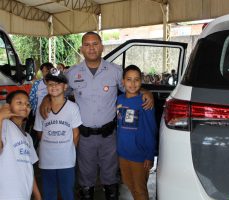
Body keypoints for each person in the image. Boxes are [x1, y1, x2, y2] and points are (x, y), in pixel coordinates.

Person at [40, 31, 154, 200]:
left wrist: (146, 92)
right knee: (86, 183)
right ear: (81, 49)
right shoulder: (72, 73)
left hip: (109, 137)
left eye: (95, 44)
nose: (91, 48)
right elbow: (58, 90)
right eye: (87, 44)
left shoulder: (115, 71)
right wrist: (46, 99)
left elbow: (131, 89)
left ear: (102, 47)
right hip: (84, 137)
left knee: (111, 182)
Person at [34, 68, 82, 200]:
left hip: (66, 161)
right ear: (47, 86)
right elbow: (39, 133)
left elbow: (76, 134)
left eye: (58, 83)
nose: (54, 86)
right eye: (50, 84)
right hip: (47, 160)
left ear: (65, 86)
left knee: (67, 193)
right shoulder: (42, 109)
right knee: (49, 194)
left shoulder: (73, 108)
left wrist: (67, 149)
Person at [117, 65, 157, 200]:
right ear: (122, 81)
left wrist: (150, 155)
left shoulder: (145, 102)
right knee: (130, 185)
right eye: (129, 79)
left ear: (141, 81)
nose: (133, 84)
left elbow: (151, 129)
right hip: (123, 154)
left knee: (140, 190)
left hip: (140, 156)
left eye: (136, 80)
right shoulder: (119, 100)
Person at [0, 90, 41, 200]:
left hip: (24, 194)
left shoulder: (27, 137)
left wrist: (37, 195)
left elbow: (29, 168)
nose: (24, 106)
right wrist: (0, 118)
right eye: (19, 102)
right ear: (8, 106)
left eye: (28, 104)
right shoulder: (4, 125)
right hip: (7, 194)